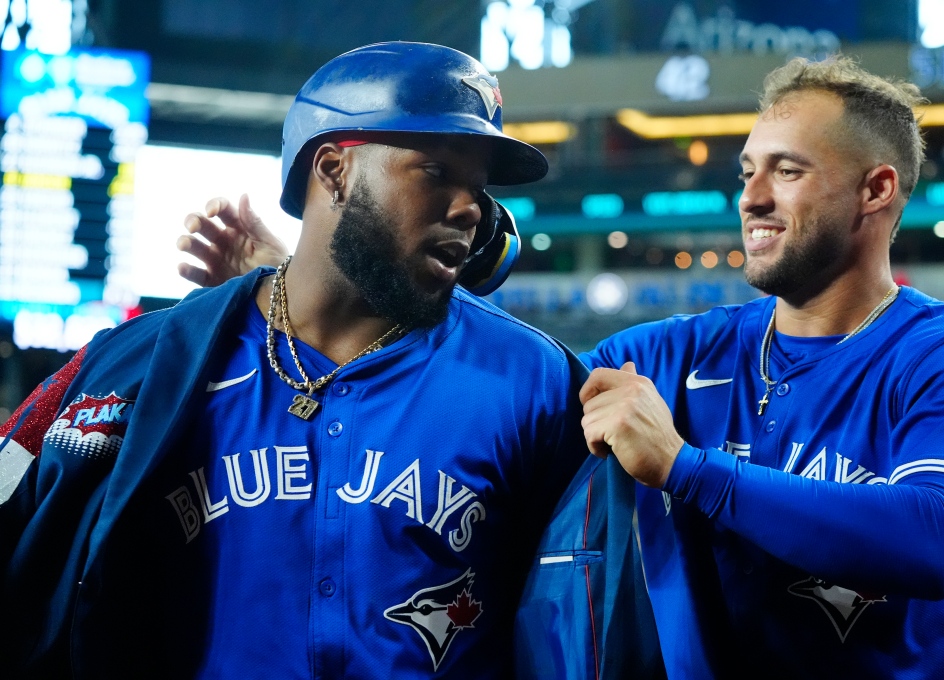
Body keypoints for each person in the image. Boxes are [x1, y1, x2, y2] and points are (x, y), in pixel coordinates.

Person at [187, 55, 944, 678]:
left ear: (876, 191)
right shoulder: (674, 354)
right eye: (748, 172)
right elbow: (502, 371)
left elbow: (940, 539)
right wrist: (309, 277)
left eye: (788, 172)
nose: (752, 198)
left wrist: (691, 471)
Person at [0, 42, 600, 678]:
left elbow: (601, 611)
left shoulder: (534, 379)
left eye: (478, 188)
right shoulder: (147, 364)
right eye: (436, 173)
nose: (471, 210)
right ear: (334, 170)